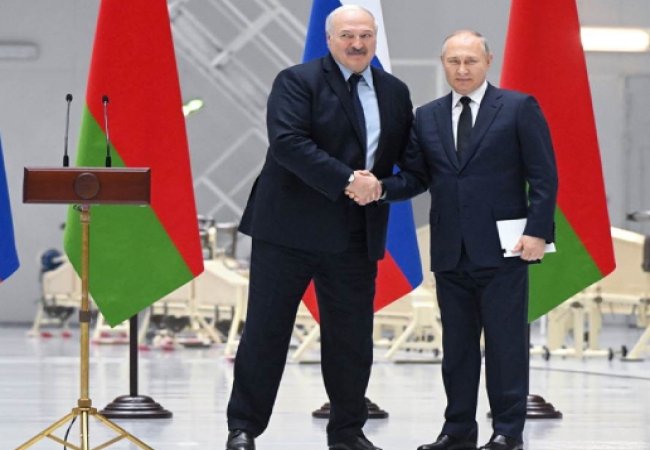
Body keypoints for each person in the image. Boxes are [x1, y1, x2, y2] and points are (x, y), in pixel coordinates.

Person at [225, 5, 413, 450]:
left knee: (351, 340)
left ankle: (347, 433)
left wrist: (381, 188)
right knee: (267, 332)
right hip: (288, 231)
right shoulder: (296, 81)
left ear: (375, 38)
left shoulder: (394, 91)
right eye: (347, 35)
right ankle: (243, 428)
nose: (357, 44)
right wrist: (349, 181)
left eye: (365, 35)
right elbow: (288, 143)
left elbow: (409, 161)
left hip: (355, 234)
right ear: (329, 40)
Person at [365, 30, 558, 450]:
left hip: (506, 250)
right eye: (454, 61)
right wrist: (379, 188)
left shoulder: (518, 108)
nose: (463, 69)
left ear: (488, 61)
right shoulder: (426, 116)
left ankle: (507, 432)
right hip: (450, 252)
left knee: (506, 346)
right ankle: (457, 431)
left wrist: (538, 231)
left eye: (471, 60)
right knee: (457, 350)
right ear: (443, 64)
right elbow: (416, 177)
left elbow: (543, 175)